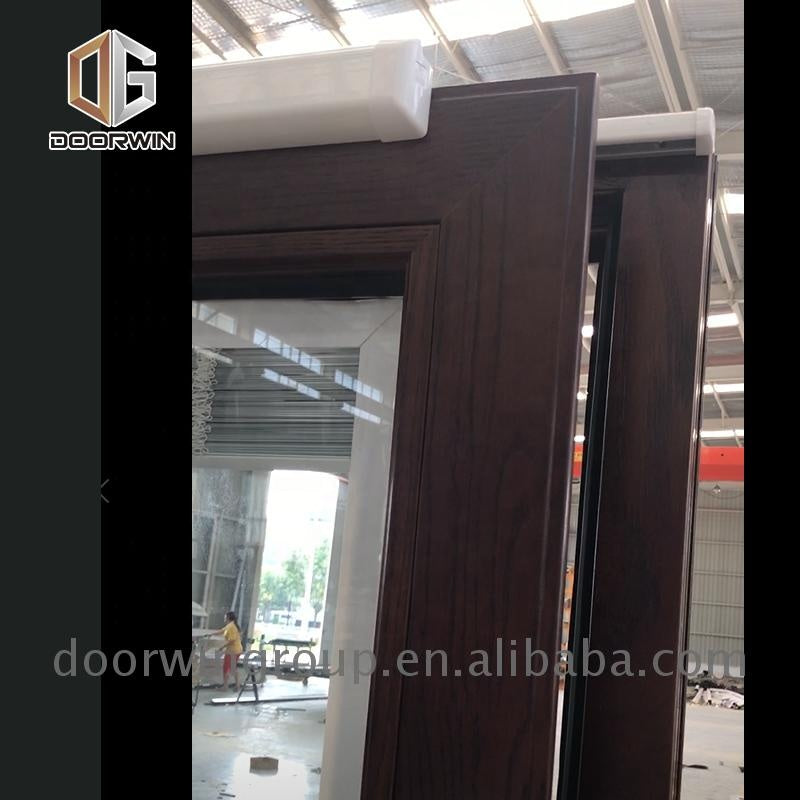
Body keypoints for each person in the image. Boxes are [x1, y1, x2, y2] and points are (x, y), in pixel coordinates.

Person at [215, 611, 243, 691]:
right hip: (237, 649)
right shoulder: (231, 625)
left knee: (226, 668)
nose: (224, 618)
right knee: (233, 667)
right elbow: (222, 631)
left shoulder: (231, 627)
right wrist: (210, 634)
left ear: (228, 618)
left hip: (232, 650)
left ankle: (225, 687)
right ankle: (237, 685)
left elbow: (232, 640)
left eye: (225, 616)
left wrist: (222, 647)